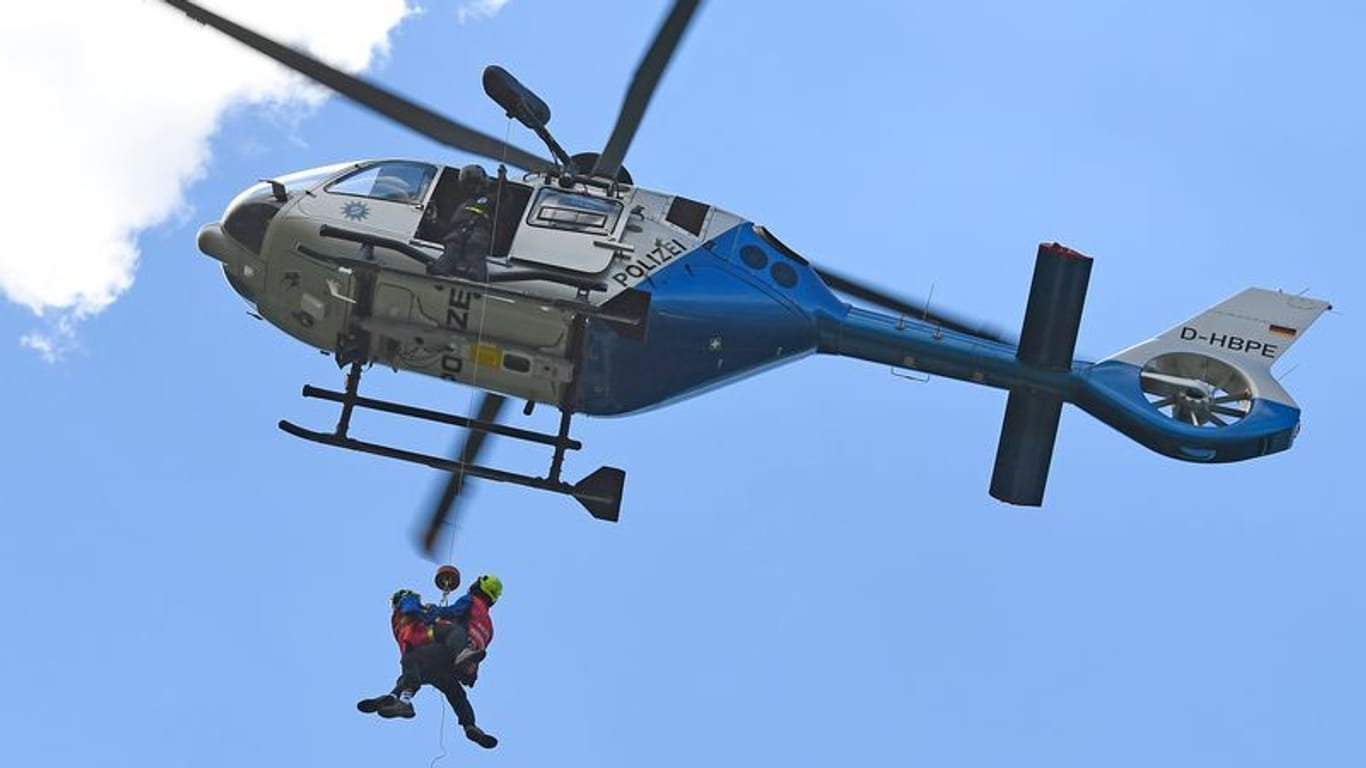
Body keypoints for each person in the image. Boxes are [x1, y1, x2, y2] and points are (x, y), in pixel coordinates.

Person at [356, 576, 505, 749]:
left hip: (452, 652)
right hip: (460, 666)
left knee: (411, 661)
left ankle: (401, 700)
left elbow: (454, 611)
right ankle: (469, 725)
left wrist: (435, 611)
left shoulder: (470, 601)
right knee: (455, 693)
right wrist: (471, 673)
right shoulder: (490, 626)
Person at [427, 164, 495, 280]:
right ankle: (440, 268)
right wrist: (434, 220)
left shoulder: (490, 199)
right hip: (459, 232)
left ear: (482, 183)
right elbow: (450, 226)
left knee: (475, 247)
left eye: (474, 183)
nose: (471, 187)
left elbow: (505, 198)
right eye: (468, 184)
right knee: (452, 247)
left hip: (479, 231)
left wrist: (503, 181)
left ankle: (478, 275)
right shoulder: (463, 205)